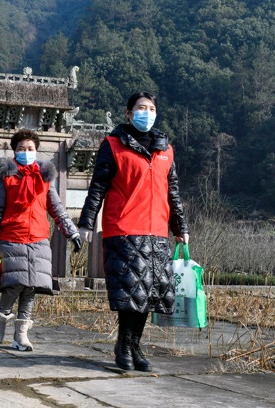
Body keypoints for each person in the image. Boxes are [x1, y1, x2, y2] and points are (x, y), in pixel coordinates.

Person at [78, 91, 189, 371]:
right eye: (141, 108)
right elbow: (98, 186)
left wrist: (180, 227)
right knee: (130, 294)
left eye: (151, 108)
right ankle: (123, 345)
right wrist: (86, 223)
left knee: (150, 294)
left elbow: (172, 192)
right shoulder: (113, 145)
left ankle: (135, 346)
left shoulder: (166, 150)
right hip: (124, 228)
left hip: (157, 231)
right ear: (128, 113)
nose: (147, 112)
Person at [0, 129, 82, 351]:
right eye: (21, 149)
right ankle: (1, 316)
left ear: (36, 151)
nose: (26, 152)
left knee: (31, 288)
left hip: (38, 238)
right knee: (14, 284)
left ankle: (21, 335)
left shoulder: (44, 177)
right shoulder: (5, 176)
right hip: (12, 236)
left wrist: (72, 232)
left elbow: (56, 208)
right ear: (14, 151)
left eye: (30, 149)